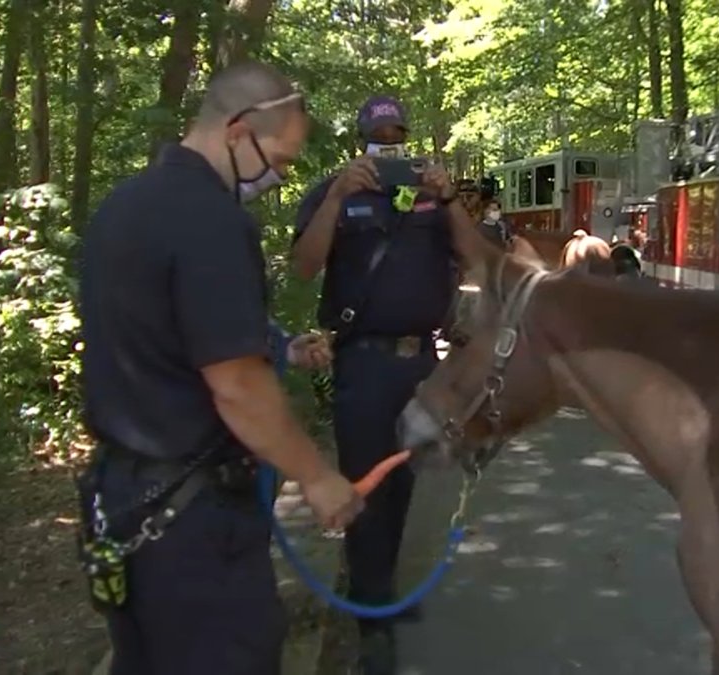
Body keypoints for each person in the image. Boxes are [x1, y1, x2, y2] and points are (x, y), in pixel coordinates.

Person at [76, 60, 363, 675]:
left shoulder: (121, 207)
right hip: (194, 521)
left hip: (123, 502)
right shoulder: (213, 221)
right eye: (279, 160)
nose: (279, 177)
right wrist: (316, 476)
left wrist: (279, 350)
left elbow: (170, 341)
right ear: (239, 131)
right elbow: (236, 384)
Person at [290, 95, 488, 675]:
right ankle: (373, 620)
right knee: (365, 487)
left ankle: (379, 588)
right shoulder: (334, 192)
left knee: (403, 482)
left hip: (420, 364)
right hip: (364, 364)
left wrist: (447, 198)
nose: (388, 144)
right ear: (362, 142)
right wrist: (336, 197)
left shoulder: (431, 195)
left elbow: (478, 261)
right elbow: (303, 266)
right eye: (378, 137)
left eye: (396, 135)